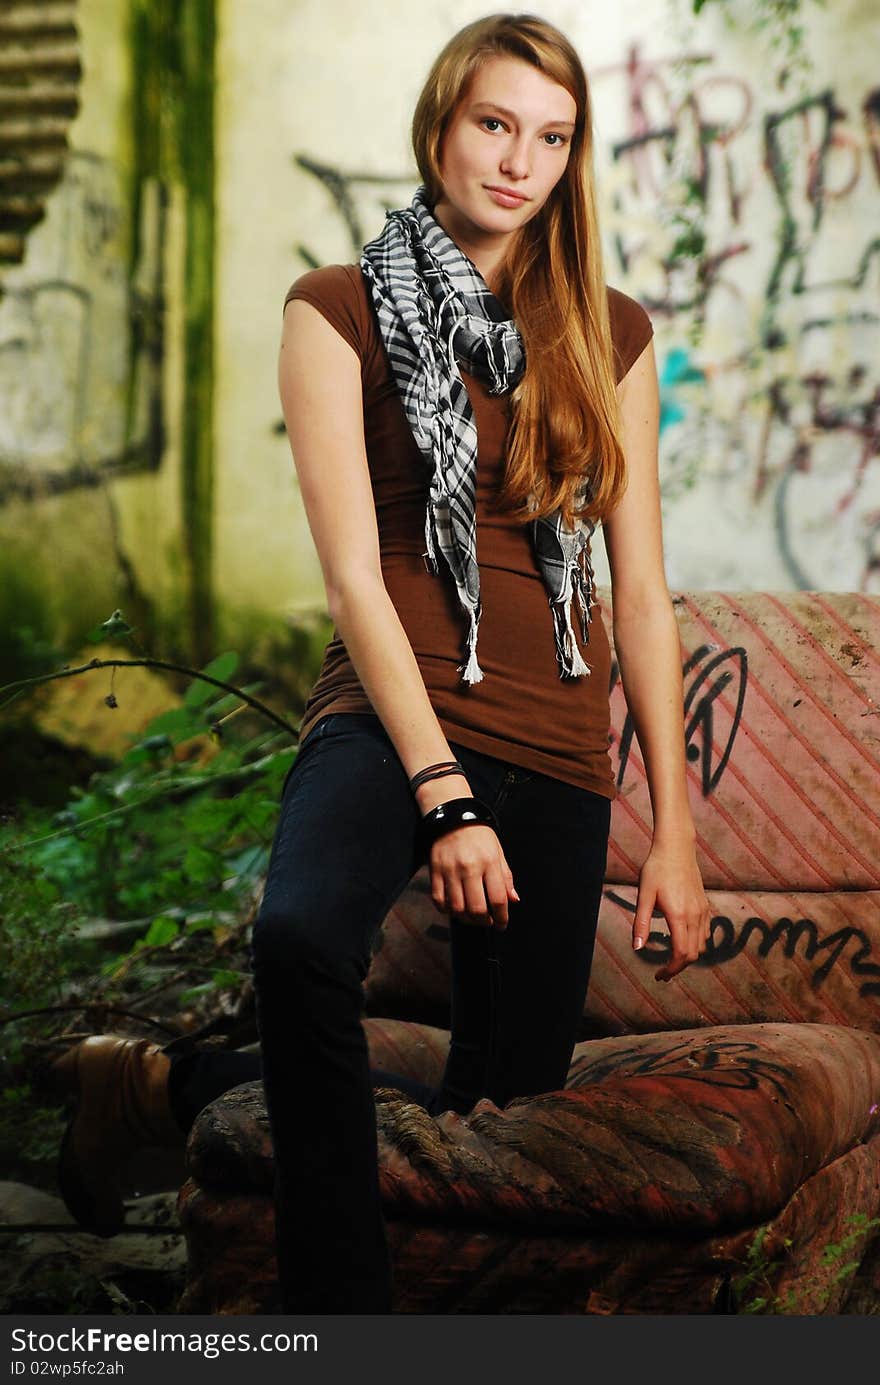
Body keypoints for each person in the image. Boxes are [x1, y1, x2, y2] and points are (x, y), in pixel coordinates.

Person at [51, 12, 711, 1314]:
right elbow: (355, 574)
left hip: (562, 749)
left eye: (552, 136)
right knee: (300, 937)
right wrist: (444, 794)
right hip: (392, 712)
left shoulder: (613, 331)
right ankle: (337, 1319)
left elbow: (640, 588)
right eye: (494, 123)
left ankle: (161, 1081)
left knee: (492, 1110)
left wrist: (674, 832)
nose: (520, 159)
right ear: (440, 127)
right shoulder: (334, 306)